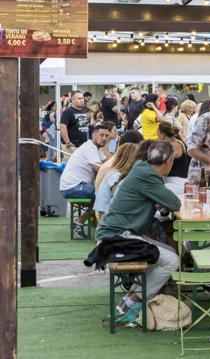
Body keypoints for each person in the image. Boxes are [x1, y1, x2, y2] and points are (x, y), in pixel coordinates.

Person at [96, 141, 181, 309]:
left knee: (169, 252)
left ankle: (130, 298)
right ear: (169, 161)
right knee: (172, 260)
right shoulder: (148, 176)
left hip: (116, 233)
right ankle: (133, 301)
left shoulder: (142, 170)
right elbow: (174, 203)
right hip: (116, 238)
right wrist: (161, 202)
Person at [59, 123, 110, 239]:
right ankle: (81, 223)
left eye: (107, 136)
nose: (104, 138)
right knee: (104, 195)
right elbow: (102, 169)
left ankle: (81, 222)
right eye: (102, 135)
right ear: (93, 135)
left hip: (78, 185)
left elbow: (109, 162)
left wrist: (106, 146)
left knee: (104, 195)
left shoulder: (96, 148)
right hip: (72, 187)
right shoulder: (89, 148)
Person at [93, 143, 138, 222]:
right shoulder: (116, 176)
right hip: (108, 220)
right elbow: (119, 200)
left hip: (106, 216)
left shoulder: (113, 172)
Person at [158, 121, 191, 192]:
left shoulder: (173, 146)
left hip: (175, 183)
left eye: (157, 133)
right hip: (179, 182)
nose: (156, 136)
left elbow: (165, 170)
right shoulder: (179, 142)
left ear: (162, 134)